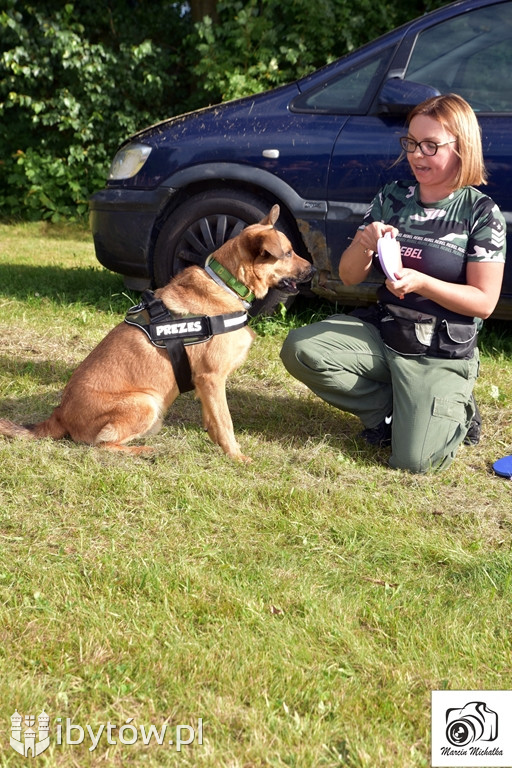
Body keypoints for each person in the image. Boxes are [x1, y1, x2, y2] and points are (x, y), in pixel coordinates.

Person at [280, 94, 506, 473]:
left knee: (414, 462)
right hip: (387, 333)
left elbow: (484, 302)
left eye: (431, 146)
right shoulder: (392, 197)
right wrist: (364, 243)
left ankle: (458, 410)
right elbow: (350, 275)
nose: (417, 155)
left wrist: (423, 283)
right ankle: (388, 413)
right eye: (412, 143)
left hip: (439, 350)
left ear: (462, 147)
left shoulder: (480, 212)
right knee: (300, 348)